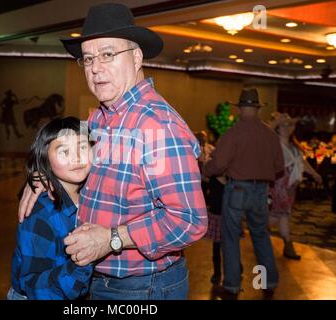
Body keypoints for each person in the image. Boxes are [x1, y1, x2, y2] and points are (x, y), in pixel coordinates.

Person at [18, 3, 207, 300]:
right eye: (89, 58)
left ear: (136, 57)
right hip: (100, 278)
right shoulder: (101, 117)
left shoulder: (157, 126)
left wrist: (113, 239)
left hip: (143, 287)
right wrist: (44, 176)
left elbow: (189, 221)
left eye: (107, 54)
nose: (95, 68)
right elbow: (79, 162)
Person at [204, 88, 284, 298]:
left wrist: (205, 170)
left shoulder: (234, 132)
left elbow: (219, 164)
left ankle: (231, 285)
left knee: (230, 237)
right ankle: (268, 282)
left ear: (240, 109)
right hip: (260, 191)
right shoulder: (270, 134)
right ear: (257, 109)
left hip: (237, 189)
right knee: (261, 236)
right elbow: (279, 167)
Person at [9, 117, 93, 300]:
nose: (77, 157)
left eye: (83, 147)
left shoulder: (92, 194)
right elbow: (36, 287)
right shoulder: (41, 212)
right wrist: (82, 261)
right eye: (64, 151)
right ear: (45, 158)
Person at [269, 113, 322, 260]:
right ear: (278, 129)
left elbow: (302, 163)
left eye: (289, 125)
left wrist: (314, 174)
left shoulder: (294, 147)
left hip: (291, 186)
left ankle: (259, 229)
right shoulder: (273, 144)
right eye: (284, 125)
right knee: (284, 213)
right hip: (278, 184)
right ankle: (288, 244)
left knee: (278, 214)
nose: (287, 128)